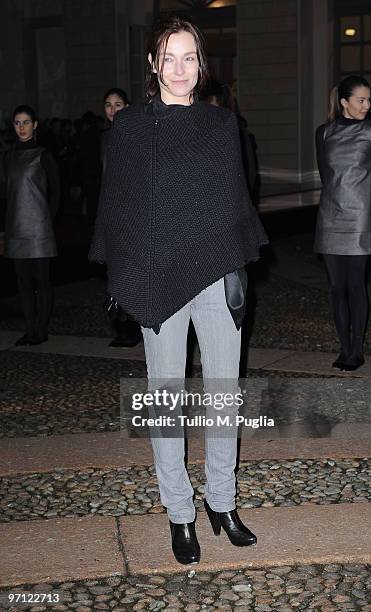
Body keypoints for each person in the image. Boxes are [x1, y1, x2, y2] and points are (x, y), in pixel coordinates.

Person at [90, 17, 267, 564]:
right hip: (156, 277)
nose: (179, 68)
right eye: (169, 57)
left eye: (189, 57)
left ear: (202, 65)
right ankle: (179, 513)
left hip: (214, 274)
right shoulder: (131, 128)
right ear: (152, 64)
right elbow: (118, 207)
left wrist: (238, 268)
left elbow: (234, 203)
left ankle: (222, 501)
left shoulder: (221, 126)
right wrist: (124, 272)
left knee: (223, 397)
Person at [314, 75, 371, 371]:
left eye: (369, 100)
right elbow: (327, 177)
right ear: (344, 101)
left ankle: (357, 350)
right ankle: (344, 348)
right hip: (330, 216)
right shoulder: (324, 133)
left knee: (356, 285)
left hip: (361, 216)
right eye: (362, 100)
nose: (367, 105)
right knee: (336, 286)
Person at [4, 105, 60, 345]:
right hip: (16, 227)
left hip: (39, 228)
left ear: (35, 125)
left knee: (42, 280)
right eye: (17, 123)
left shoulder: (43, 155)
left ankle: (41, 329)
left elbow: (57, 191)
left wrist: (49, 220)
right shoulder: (8, 156)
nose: (22, 127)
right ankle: (29, 329)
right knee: (23, 283)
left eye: (26, 122)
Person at [100, 87, 142, 348]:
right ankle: (120, 326)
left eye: (117, 104)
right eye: (107, 104)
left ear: (126, 107)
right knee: (113, 272)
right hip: (110, 213)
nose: (112, 109)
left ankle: (136, 325)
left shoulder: (135, 136)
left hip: (132, 213)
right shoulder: (102, 138)